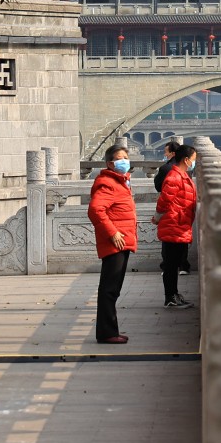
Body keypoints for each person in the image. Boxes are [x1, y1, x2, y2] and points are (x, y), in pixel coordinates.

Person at [87, 144, 138, 344]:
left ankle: (109, 330)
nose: (125, 161)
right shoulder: (108, 183)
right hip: (115, 242)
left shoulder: (120, 182)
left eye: (126, 156)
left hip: (122, 241)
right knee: (109, 288)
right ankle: (107, 333)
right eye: (120, 158)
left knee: (113, 288)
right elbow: (95, 210)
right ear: (110, 163)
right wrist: (113, 232)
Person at [154, 145, 198, 309]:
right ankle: (170, 297)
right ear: (186, 160)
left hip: (179, 225)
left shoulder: (182, 175)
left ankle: (174, 294)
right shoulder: (175, 177)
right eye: (193, 160)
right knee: (171, 265)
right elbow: (164, 201)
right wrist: (158, 217)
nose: (194, 163)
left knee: (174, 263)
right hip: (173, 225)